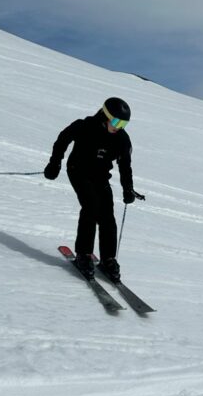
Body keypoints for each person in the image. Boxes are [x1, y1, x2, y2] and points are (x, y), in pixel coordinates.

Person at [43, 96, 141, 281]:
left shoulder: (122, 139)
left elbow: (125, 166)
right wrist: (54, 164)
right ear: (105, 115)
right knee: (90, 207)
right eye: (116, 121)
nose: (118, 127)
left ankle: (108, 259)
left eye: (123, 124)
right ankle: (84, 254)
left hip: (100, 176)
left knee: (107, 215)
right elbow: (62, 140)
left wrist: (128, 189)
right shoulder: (85, 126)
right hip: (78, 170)